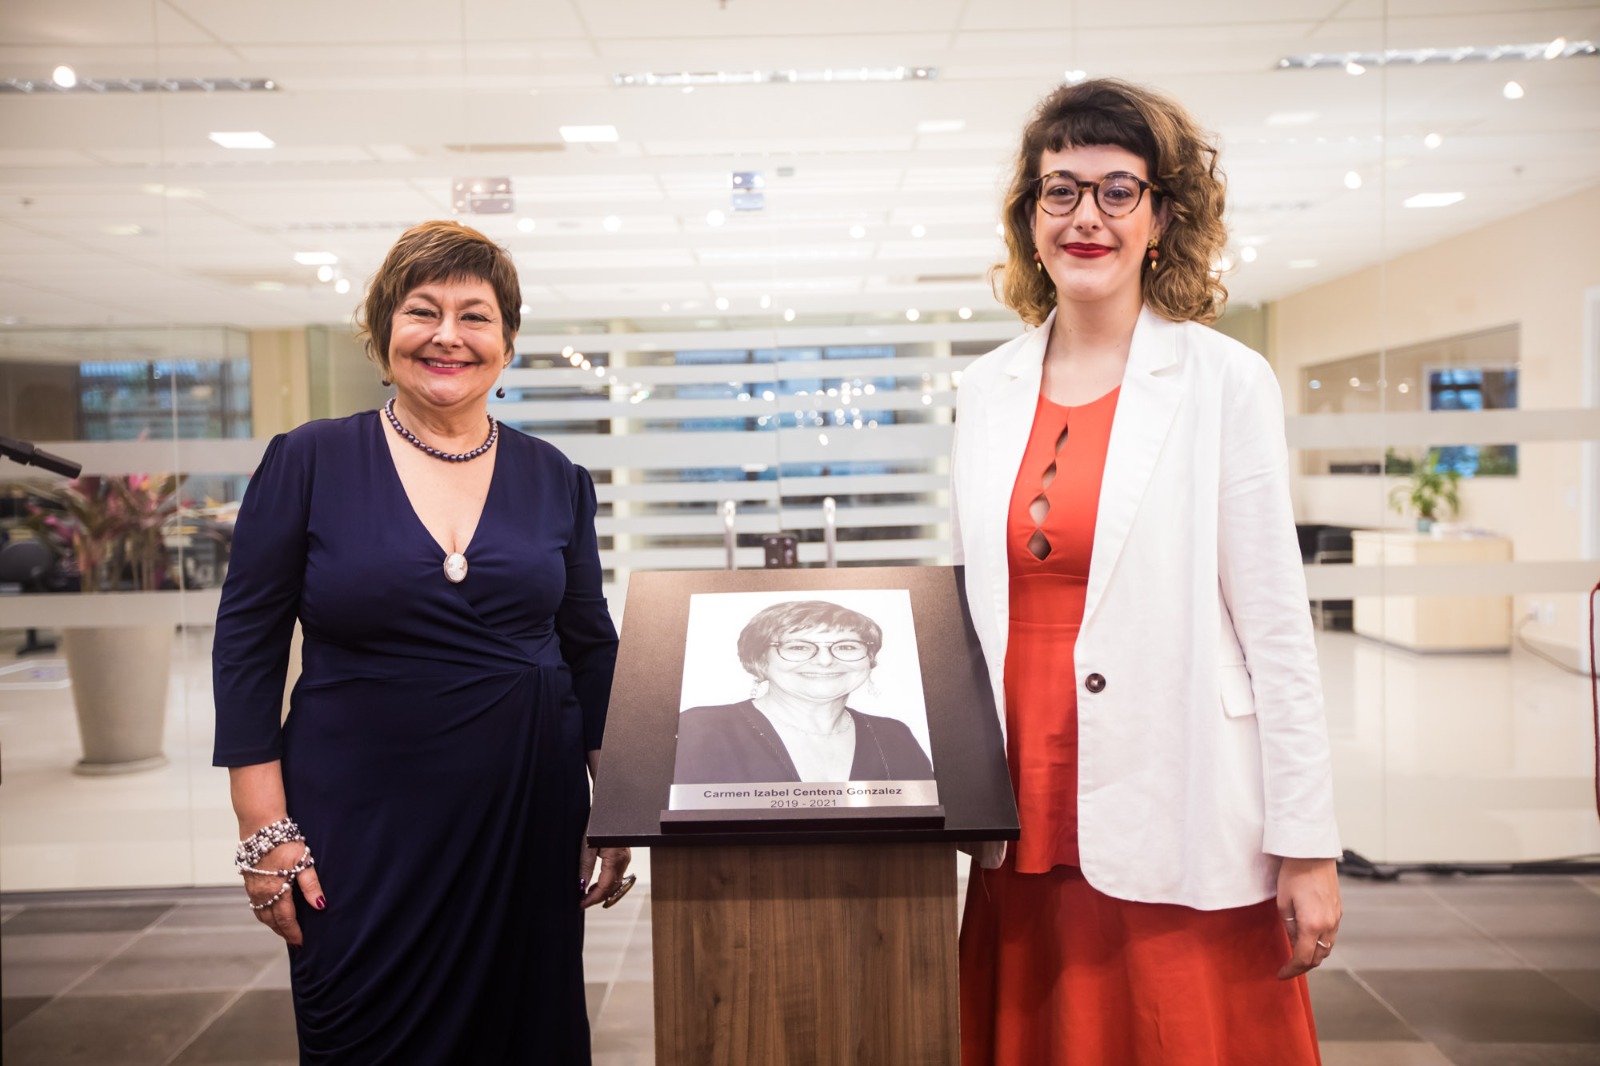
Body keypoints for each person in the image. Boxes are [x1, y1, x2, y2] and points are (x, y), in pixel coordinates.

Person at [951, 79, 1342, 1064]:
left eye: (1116, 190)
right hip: (1023, 796)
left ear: (1161, 216)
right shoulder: (984, 390)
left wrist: (1308, 839)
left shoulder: (1223, 381)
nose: (1086, 216)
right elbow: (970, 612)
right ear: (1029, 220)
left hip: (1179, 786)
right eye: (1059, 190)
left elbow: (1275, 631)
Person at [212, 219, 630, 1064]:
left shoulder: (558, 478)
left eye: (475, 316)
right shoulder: (308, 461)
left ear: (507, 343)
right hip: (358, 818)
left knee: (526, 1036)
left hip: (526, 810)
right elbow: (247, 647)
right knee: (362, 1032)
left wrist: (614, 798)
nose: (448, 335)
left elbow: (590, 645)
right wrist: (264, 835)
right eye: (422, 311)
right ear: (382, 332)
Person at [672, 599, 934, 783]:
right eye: (798, 647)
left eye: (846, 646)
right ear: (760, 660)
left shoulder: (893, 735)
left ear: (870, 659)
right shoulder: (701, 729)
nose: (824, 661)